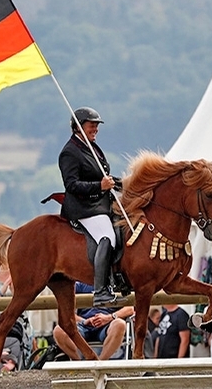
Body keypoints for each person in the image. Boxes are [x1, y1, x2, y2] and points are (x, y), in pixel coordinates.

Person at [58, 106, 123, 307]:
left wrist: (124, 184)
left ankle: (118, 279)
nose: (95, 129)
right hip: (83, 207)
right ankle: (101, 291)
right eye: (91, 125)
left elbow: (102, 176)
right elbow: (71, 184)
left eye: (97, 126)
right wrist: (99, 186)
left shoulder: (91, 146)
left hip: (100, 203)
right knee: (107, 237)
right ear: (78, 127)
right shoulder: (70, 152)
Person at [53, 282, 134, 360]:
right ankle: (80, 362)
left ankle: (100, 364)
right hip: (83, 325)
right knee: (59, 330)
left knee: (120, 324)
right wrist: (85, 321)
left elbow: (130, 308)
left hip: (107, 324)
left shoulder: (119, 283)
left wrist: (109, 317)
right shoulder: (79, 285)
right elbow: (65, 312)